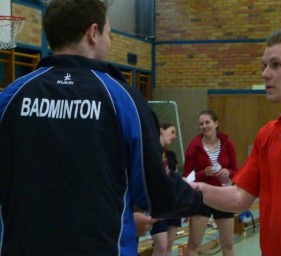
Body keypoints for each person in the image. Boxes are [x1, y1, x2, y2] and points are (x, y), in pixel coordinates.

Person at [0, 0, 203, 255]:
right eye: (109, 34)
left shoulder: (10, 98)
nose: (109, 41)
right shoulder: (123, 100)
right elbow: (156, 193)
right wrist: (196, 196)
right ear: (93, 33)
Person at [190, 28, 281, 256]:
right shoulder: (267, 134)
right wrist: (194, 190)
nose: (265, 74)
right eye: (264, 66)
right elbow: (240, 198)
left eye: (276, 65)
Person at [182, 110, 238, 256]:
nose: (204, 126)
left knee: (228, 243)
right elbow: (186, 176)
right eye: (201, 124)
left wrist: (228, 172)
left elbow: (236, 170)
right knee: (194, 244)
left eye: (207, 122)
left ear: (216, 123)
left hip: (223, 196)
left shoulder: (228, 144)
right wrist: (202, 173)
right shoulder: (194, 146)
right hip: (202, 198)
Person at [150, 122, 182, 256]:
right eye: (172, 132)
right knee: (161, 246)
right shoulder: (151, 152)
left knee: (168, 246)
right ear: (161, 130)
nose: (174, 136)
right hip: (158, 204)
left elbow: (175, 178)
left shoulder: (171, 155)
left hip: (172, 204)